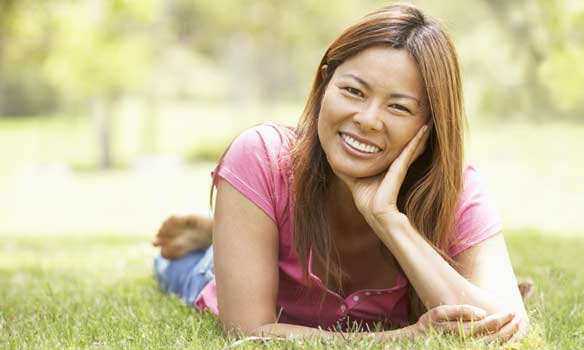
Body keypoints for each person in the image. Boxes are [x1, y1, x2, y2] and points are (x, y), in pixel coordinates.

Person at [151, 3, 530, 344]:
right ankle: (226, 238)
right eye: (353, 91)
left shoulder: (457, 188)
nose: (366, 120)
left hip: (332, 222)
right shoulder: (261, 156)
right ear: (324, 84)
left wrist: (388, 220)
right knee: (182, 269)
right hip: (207, 273)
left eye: (398, 107)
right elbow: (248, 330)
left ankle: (241, 229)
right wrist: (406, 338)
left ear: (430, 127)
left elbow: (506, 331)